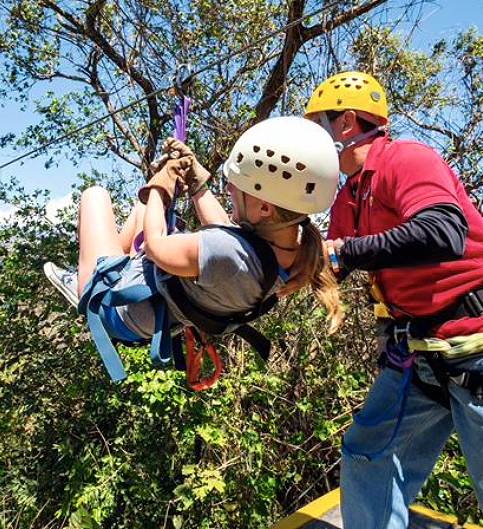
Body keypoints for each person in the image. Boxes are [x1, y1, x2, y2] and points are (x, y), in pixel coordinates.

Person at [305, 71, 483, 528]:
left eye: (321, 126)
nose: (317, 139)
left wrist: (346, 250)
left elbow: (442, 232)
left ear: (347, 122)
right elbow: (329, 263)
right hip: (421, 352)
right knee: (368, 458)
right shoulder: (350, 195)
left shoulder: (406, 160)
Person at [45, 116, 342, 382]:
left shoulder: (227, 253)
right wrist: (197, 185)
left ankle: (88, 284)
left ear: (264, 207)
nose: (228, 189)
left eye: (235, 187)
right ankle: (98, 270)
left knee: (94, 196)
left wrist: (159, 188)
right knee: (140, 210)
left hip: (120, 312)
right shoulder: (296, 249)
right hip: (149, 306)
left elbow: (155, 245)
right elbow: (225, 232)